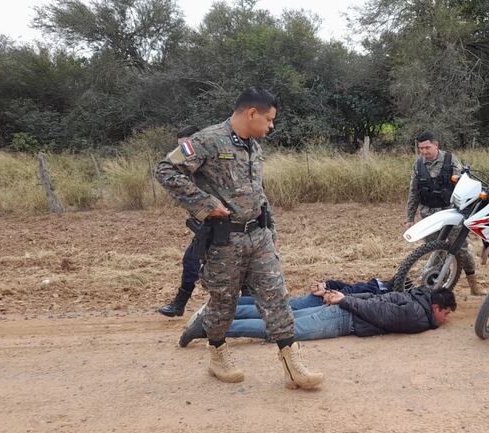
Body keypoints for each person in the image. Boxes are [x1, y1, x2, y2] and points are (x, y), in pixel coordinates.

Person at [156, 88, 323, 389]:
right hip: (224, 242)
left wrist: (270, 230)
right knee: (224, 303)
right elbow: (166, 169)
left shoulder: (254, 146)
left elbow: (258, 190)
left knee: (276, 295)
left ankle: (292, 363)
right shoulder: (206, 140)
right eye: (269, 119)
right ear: (251, 113)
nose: (271, 126)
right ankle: (217, 352)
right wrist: (204, 204)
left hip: (258, 236)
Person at [179, 285, 457, 347]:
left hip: (342, 310)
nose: (445, 320)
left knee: (281, 317)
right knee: (279, 330)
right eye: (446, 314)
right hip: (342, 319)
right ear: (437, 308)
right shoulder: (420, 317)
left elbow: (374, 299)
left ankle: (216, 317)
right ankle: (209, 327)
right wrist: (344, 299)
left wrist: (341, 296)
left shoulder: (412, 296)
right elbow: (379, 312)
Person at [404, 131, 485, 295]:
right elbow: (414, 192)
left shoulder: (450, 160)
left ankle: (474, 285)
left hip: (452, 214)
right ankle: (436, 288)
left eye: (427, 147)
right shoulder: (418, 165)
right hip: (429, 215)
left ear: (436, 145)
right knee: (434, 250)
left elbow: (464, 184)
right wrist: (409, 218)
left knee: (461, 250)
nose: (424, 152)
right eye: (421, 149)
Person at [158, 125, 202, 317]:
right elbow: (167, 168)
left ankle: (247, 308)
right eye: (179, 146)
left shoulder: (206, 156)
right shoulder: (187, 166)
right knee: (191, 261)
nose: (181, 151)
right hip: (205, 226)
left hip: (225, 224)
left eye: (184, 145)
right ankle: (179, 304)